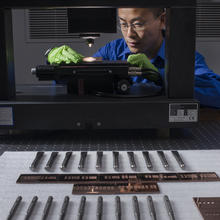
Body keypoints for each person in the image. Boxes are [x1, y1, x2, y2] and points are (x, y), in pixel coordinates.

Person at [93, 8, 220, 108]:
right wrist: (76, 66)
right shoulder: (113, 50)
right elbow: (85, 80)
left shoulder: (182, 56)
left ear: (163, 20)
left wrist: (162, 76)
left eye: (137, 24)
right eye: (124, 24)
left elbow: (216, 92)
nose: (129, 34)